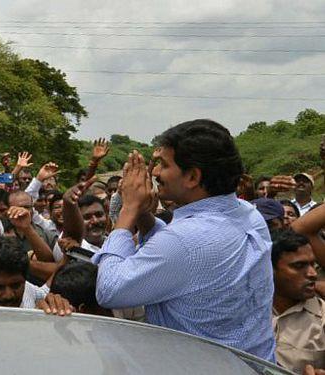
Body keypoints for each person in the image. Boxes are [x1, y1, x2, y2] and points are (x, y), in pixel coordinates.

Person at [94, 120, 275, 361]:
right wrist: (144, 216)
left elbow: (109, 290)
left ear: (192, 176)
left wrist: (128, 210)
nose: (156, 173)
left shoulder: (184, 241)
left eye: (164, 165)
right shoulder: (247, 213)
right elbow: (179, 257)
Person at [270, 230, 325, 373]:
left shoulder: (322, 317)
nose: (312, 274)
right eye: (299, 266)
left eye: (313, 264)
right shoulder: (245, 311)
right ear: (271, 269)